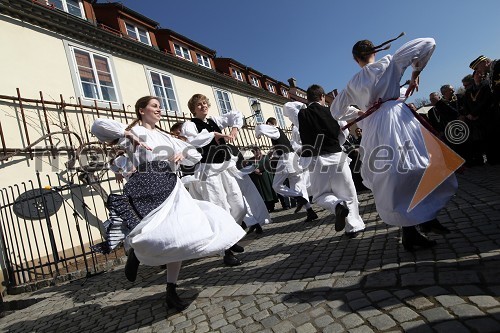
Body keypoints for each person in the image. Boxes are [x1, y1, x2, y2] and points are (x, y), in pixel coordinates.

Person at [90, 96, 246, 311]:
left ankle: (170, 289)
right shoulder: (133, 134)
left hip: (172, 188)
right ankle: (136, 250)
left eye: (160, 106)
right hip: (148, 190)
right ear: (141, 110)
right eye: (154, 106)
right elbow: (98, 126)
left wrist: (183, 152)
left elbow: (195, 154)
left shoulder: (165, 136)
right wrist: (126, 133)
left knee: (179, 235)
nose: (159, 109)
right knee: (155, 232)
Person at [330, 35, 458, 251]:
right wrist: (416, 73)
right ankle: (418, 225)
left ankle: (421, 222)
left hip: (374, 127)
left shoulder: (352, 83)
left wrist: (359, 111)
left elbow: (335, 111)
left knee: (393, 176)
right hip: (397, 119)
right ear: (374, 52)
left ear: (355, 59)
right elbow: (428, 42)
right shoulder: (389, 61)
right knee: (422, 165)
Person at [180, 93, 247, 266]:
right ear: (193, 109)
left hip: (224, 166)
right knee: (220, 207)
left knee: (239, 205)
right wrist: (214, 135)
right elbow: (193, 140)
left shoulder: (214, 120)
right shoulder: (190, 124)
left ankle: (231, 238)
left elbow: (236, 115)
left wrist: (234, 129)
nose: (203, 106)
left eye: (204, 103)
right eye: (199, 105)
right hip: (207, 169)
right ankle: (227, 251)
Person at [295, 84, 366, 238]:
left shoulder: (301, 114)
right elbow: (343, 133)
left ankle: (336, 206)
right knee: (349, 193)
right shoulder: (332, 112)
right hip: (337, 157)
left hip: (316, 161)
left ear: (308, 99)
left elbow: (290, 110)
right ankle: (353, 226)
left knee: (320, 196)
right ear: (322, 97)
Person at [255, 117, 318, 222]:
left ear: (270, 124)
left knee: (276, 185)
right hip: (292, 159)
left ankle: (298, 197)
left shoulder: (275, 130)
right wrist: (273, 153)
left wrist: (258, 135)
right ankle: (310, 211)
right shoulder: (278, 135)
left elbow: (260, 128)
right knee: (299, 186)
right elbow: (280, 148)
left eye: (268, 124)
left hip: (286, 160)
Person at [469, 55, 500, 165]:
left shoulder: (498, 65)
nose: (478, 71)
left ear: (486, 62)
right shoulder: (490, 74)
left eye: (477, 68)